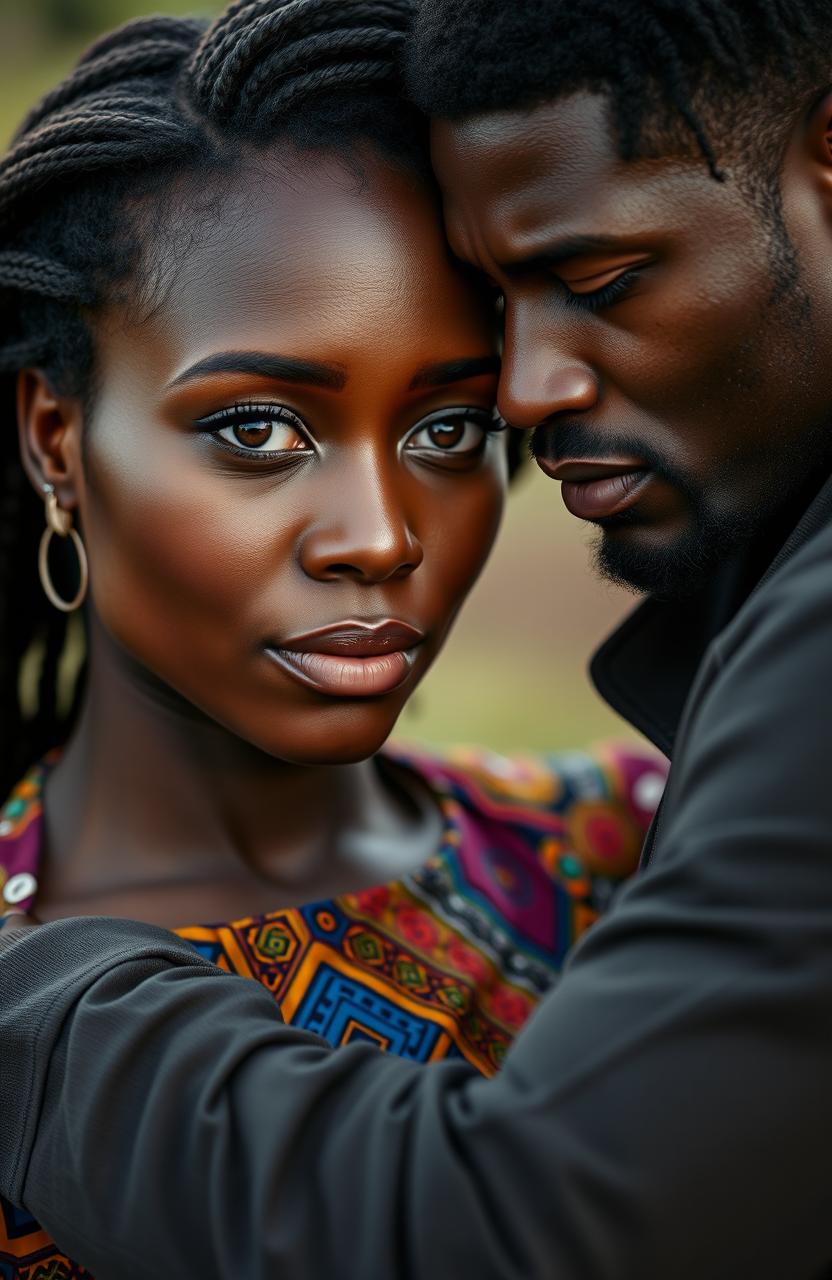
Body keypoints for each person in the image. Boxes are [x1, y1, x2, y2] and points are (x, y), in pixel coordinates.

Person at [3, 0, 832, 1275]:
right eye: (260, 430)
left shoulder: (632, 844)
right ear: (55, 434)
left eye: (447, 430)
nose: (382, 535)